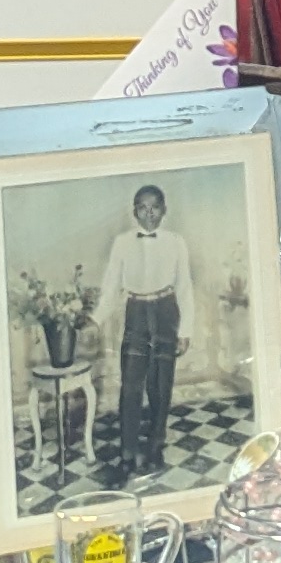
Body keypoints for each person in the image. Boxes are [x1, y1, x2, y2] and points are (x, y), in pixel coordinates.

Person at [94, 180, 196, 482]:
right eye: (142, 208)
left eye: (154, 208)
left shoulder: (176, 241)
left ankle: (155, 448)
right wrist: (95, 320)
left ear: (164, 210)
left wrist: (185, 330)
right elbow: (111, 286)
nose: (149, 213)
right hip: (136, 313)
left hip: (166, 312)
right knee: (131, 387)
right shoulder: (122, 242)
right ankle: (127, 454)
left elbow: (184, 286)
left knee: (161, 386)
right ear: (134, 211)